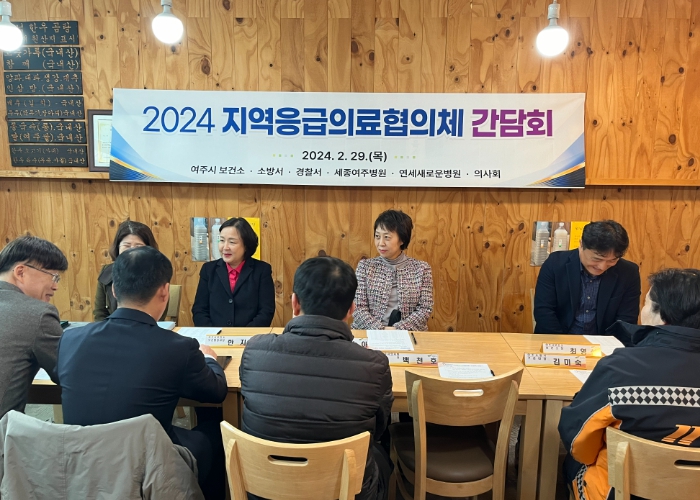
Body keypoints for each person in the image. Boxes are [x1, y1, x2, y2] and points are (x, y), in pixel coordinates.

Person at [57, 246, 228, 499]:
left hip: (79, 467)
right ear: (164, 291)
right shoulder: (178, 347)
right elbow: (216, 392)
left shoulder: (70, 340)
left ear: (114, 290)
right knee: (214, 431)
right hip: (148, 471)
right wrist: (209, 358)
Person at [240, 257, 394, 500]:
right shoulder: (374, 365)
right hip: (345, 492)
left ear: (295, 303)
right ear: (351, 310)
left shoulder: (255, 351)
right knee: (383, 457)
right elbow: (379, 427)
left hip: (266, 491)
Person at [558, 268, 700, 500]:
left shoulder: (621, 368)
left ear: (661, 316)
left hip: (620, 493)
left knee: (572, 463)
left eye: (646, 303)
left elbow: (578, 443)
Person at [0, 235, 68, 418]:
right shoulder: (38, 313)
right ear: (20, 272)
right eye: (53, 277)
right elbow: (69, 373)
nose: (55, 286)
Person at [534, 220, 641, 335]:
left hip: (605, 343)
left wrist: (608, 345)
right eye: (597, 259)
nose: (602, 267)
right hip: (556, 339)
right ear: (581, 245)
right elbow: (544, 311)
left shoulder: (629, 272)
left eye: (612, 260)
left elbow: (626, 320)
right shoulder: (555, 264)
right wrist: (562, 343)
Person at [352, 209, 434, 331]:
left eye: (387, 237)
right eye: (377, 236)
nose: (380, 243)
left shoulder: (421, 269)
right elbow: (358, 307)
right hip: (369, 333)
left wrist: (397, 330)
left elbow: (425, 309)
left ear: (402, 239)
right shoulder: (365, 267)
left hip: (408, 334)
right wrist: (381, 330)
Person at [192, 217, 275, 327]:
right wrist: (213, 333)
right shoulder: (208, 270)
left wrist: (244, 335)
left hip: (250, 336)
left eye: (232, 242)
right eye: (221, 240)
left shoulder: (262, 270)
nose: (225, 247)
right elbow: (199, 310)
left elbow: (266, 311)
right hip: (214, 335)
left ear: (246, 245)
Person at [93, 219, 165, 321]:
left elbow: (158, 316)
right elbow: (100, 313)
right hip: (112, 329)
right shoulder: (107, 272)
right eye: (126, 246)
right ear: (117, 248)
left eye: (139, 246)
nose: (132, 251)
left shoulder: (157, 274)